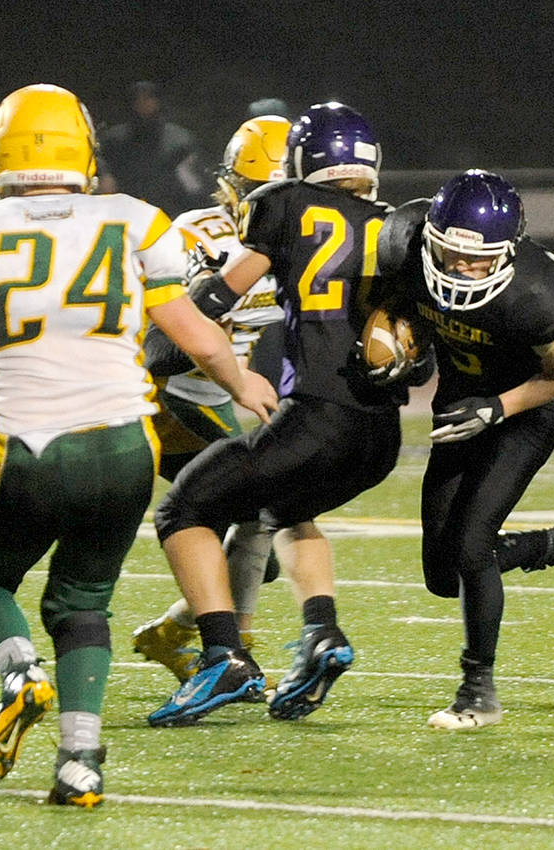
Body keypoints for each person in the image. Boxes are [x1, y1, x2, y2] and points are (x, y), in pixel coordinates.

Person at [0, 84, 275, 806]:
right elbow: (196, 334)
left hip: (26, 448)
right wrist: (242, 385)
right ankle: (81, 763)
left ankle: (21, 675)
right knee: (84, 602)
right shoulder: (134, 221)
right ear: (84, 148)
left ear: (0, 151)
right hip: (125, 446)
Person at [145, 102, 409, 726]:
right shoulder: (395, 227)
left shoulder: (283, 213)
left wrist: (196, 345)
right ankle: (319, 633)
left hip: (304, 414)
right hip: (379, 433)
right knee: (283, 511)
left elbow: (212, 305)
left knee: (189, 511)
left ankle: (221, 652)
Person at [375, 169, 554, 730]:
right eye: (448, 254)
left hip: (525, 412)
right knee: (442, 574)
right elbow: (393, 308)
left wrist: (496, 408)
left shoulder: (533, 293)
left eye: (477, 260)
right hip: (458, 404)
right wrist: (400, 345)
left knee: (472, 544)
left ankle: (478, 691)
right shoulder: (406, 249)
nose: (461, 269)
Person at [132, 114, 292, 682]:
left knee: (263, 532)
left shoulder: (303, 243)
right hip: (161, 397)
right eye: (262, 194)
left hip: (211, 394)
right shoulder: (199, 236)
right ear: (232, 188)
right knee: (261, 503)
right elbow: (164, 351)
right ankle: (229, 650)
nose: (274, 207)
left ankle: (182, 632)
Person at [99, 81, 206, 216]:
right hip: (125, 214)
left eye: (148, 98)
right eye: (138, 99)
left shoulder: (179, 140)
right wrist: (105, 175)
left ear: (158, 101)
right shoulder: (114, 139)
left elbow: (194, 186)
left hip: (169, 214)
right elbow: (102, 169)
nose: (143, 104)